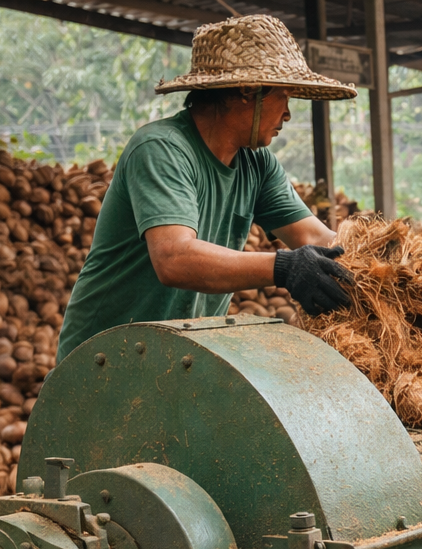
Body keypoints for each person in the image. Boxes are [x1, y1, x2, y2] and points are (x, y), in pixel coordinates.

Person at [57, 15, 357, 363]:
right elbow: (174, 259)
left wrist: (385, 265)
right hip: (103, 360)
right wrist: (284, 268)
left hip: (177, 360)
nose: (287, 114)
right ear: (248, 90)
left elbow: (317, 240)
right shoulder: (160, 149)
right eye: (283, 95)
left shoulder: (257, 165)